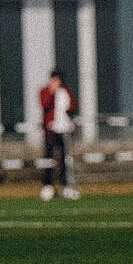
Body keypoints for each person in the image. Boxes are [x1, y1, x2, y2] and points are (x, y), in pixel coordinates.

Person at [38, 69, 80, 200]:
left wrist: (67, 112)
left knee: (64, 159)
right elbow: (44, 104)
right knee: (48, 159)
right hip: (50, 130)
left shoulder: (66, 91)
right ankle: (47, 185)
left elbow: (73, 106)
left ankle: (64, 185)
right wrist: (52, 93)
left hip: (64, 131)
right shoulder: (45, 91)